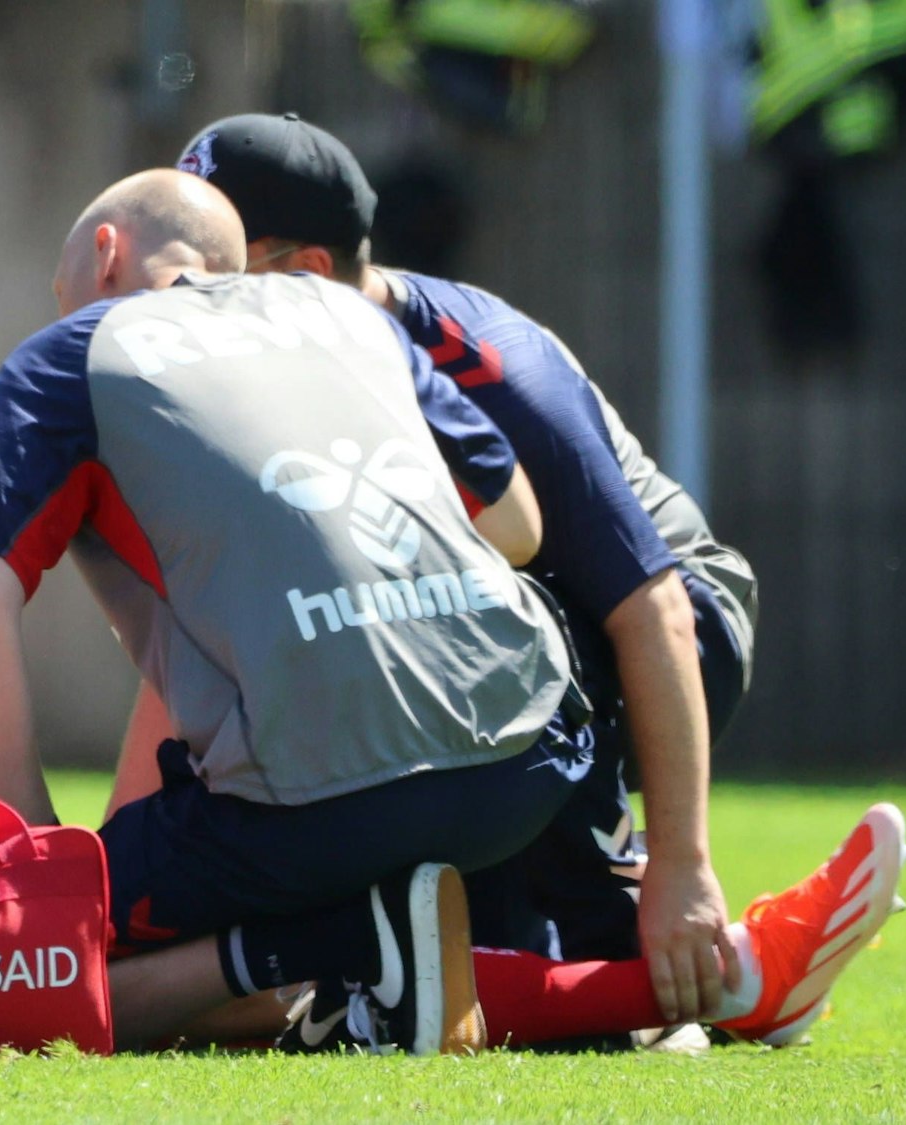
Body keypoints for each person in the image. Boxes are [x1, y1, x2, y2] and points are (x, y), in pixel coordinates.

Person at [0, 169, 900, 1054]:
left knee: (38, 969)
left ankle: (317, 943)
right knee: (408, 969)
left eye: (62, 290)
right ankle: (731, 978)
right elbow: (516, 524)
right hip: (523, 762)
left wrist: (34, 855)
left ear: (102, 256)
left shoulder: (73, 355)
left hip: (313, 798)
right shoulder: (351, 319)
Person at [171, 113, 761, 1017]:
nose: (182, 301)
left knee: (449, 614)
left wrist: (687, 868)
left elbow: (655, 610)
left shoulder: (493, 365)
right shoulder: (267, 373)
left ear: (303, 273)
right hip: (518, 629)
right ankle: (586, 966)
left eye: (213, 268)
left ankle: (633, 925)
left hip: (677, 620)